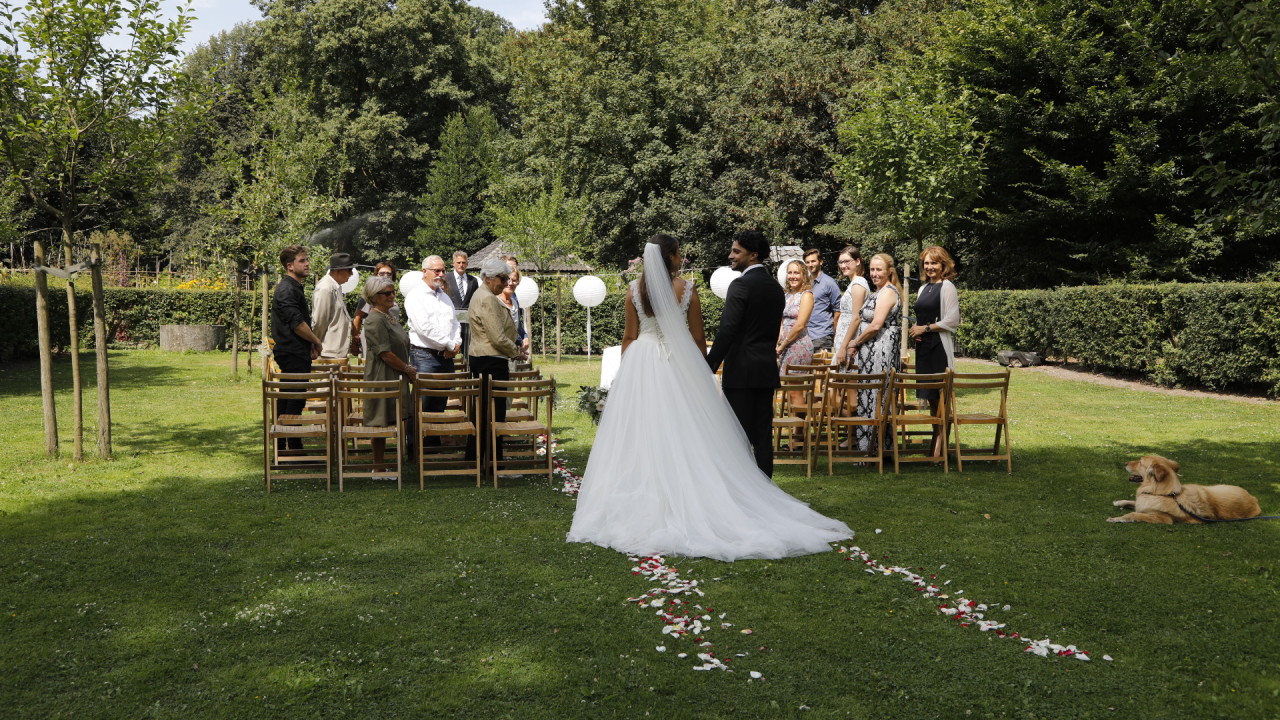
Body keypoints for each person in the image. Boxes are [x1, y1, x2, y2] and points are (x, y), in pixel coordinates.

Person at [568, 235, 852, 561]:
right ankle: (703, 496)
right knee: (687, 433)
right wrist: (700, 371)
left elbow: (629, 338)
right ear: (672, 256)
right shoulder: (687, 289)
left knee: (643, 434)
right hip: (679, 364)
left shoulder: (634, 291)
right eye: (678, 254)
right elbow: (698, 337)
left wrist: (627, 377)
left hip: (641, 364)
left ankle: (644, 498)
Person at [706, 229, 785, 477]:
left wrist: (707, 366)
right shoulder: (775, 288)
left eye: (736, 251)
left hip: (741, 371)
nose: (731, 255)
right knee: (762, 436)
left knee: (737, 435)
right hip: (765, 370)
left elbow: (728, 330)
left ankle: (743, 493)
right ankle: (766, 492)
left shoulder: (740, 285)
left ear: (753, 255)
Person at [907, 245, 961, 457]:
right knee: (930, 398)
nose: (929, 267)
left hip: (938, 348)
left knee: (941, 399)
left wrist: (927, 328)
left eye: (934, 263)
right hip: (923, 348)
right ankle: (935, 445)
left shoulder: (947, 287)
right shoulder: (922, 288)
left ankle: (940, 449)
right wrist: (916, 331)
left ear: (943, 265)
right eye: (926, 263)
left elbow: (952, 320)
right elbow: (921, 318)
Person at [847, 253, 903, 452]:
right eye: (872, 269)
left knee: (876, 400)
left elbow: (876, 325)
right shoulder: (877, 292)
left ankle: (874, 451)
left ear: (889, 271)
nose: (874, 273)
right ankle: (873, 450)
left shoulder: (888, 292)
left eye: (879, 269)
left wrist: (854, 342)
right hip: (870, 354)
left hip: (881, 354)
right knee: (869, 399)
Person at [270, 245, 324, 449]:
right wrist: (316, 341)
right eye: (302, 261)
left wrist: (309, 343)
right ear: (289, 266)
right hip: (291, 353)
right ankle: (292, 447)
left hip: (295, 352)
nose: (307, 263)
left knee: (289, 399)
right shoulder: (286, 289)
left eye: (306, 259)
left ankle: (283, 446)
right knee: (294, 400)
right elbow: (297, 324)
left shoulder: (293, 287)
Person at [361, 275, 417, 471]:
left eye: (392, 291)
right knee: (379, 420)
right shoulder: (374, 319)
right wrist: (408, 368)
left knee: (393, 418)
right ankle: (378, 466)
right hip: (382, 375)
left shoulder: (389, 316)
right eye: (386, 293)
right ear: (374, 296)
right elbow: (385, 353)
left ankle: (389, 463)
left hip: (395, 373)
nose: (392, 295)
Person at [467, 258, 520, 462]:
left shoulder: (483, 294)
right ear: (489, 278)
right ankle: (492, 461)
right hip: (489, 360)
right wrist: (515, 351)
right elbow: (497, 337)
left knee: (483, 414)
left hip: (485, 358)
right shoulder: (487, 298)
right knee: (492, 415)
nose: (506, 282)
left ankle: (479, 458)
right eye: (503, 278)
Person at [404, 255, 462, 413]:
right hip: (425, 357)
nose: (442, 274)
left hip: (446, 357)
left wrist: (457, 343)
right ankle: (415, 438)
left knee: (439, 404)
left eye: (443, 271)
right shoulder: (415, 296)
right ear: (424, 271)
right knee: (422, 405)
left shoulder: (444, 297)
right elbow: (424, 328)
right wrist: (450, 345)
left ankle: (434, 438)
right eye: (437, 271)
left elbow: (455, 323)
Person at [777, 259, 815, 412]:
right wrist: (777, 342)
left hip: (798, 345)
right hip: (783, 345)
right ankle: (794, 427)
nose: (792, 276)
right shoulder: (786, 295)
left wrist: (783, 344)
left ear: (803, 275)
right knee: (787, 389)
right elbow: (780, 321)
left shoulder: (807, 295)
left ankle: (799, 433)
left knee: (795, 390)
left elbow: (800, 325)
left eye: (796, 273)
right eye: (790, 273)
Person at [311, 252, 355, 365]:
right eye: (349, 270)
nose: (351, 274)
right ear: (337, 271)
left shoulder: (335, 287)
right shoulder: (326, 288)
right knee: (328, 382)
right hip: (329, 352)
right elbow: (319, 320)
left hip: (337, 351)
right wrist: (316, 344)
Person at [832, 246, 869, 371]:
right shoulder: (853, 283)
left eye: (847, 261)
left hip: (848, 342)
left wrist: (844, 346)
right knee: (837, 383)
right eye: (841, 262)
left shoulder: (858, 284)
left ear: (857, 261)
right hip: (843, 340)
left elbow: (856, 318)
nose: (843, 266)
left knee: (846, 384)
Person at [352, 262, 398, 357]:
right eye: (382, 273)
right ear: (376, 274)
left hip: (392, 335)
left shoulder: (393, 294)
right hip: (374, 336)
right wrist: (355, 340)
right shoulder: (370, 294)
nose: (385, 276)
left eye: (389, 274)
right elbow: (357, 317)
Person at [803, 248, 841, 354]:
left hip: (822, 336)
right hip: (806, 336)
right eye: (807, 262)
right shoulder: (805, 283)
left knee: (820, 369)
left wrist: (833, 334)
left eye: (813, 261)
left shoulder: (829, 283)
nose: (810, 264)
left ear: (821, 262)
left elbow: (838, 311)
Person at [445, 251, 479, 355]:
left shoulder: (473, 280)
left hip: (468, 323)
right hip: (451, 322)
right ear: (453, 263)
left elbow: (475, 300)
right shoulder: (446, 278)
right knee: (450, 352)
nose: (461, 265)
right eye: (458, 262)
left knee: (468, 353)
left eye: (463, 262)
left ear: (467, 264)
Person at [500, 255, 532, 364]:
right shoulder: (495, 298)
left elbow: (517, 322)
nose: (510, 282)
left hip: (515, 349)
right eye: (509, 269)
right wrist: (519, 341)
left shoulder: (514, 297)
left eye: (515, 268)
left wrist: (525, 337)